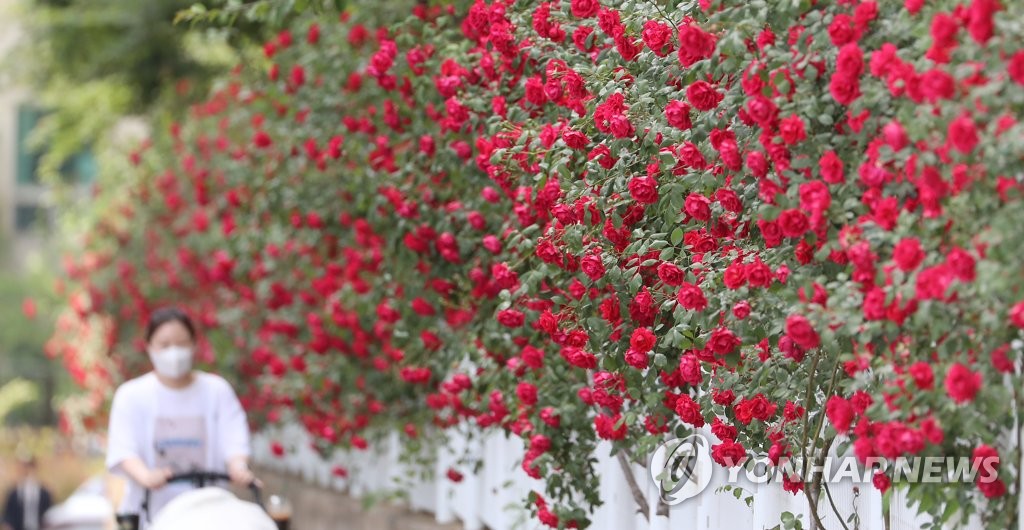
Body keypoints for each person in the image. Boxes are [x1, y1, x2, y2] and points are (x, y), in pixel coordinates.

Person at [106, 307, 256, 526]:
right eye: (165, 345)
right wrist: (146, 476)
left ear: (194, 344)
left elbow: (234, 439)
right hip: (152, 516)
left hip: (213, 516)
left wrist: (238, 468)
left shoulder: (217, 391)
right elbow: (123, 450)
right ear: (150, 348)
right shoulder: (131, 396)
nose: (173, 352)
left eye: (181, 343)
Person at [1, 455, 53, 530]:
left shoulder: (44, 492)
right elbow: (7, 514)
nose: (25, 471)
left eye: (27, 467)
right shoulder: (13, 492)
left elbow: (50, 514)